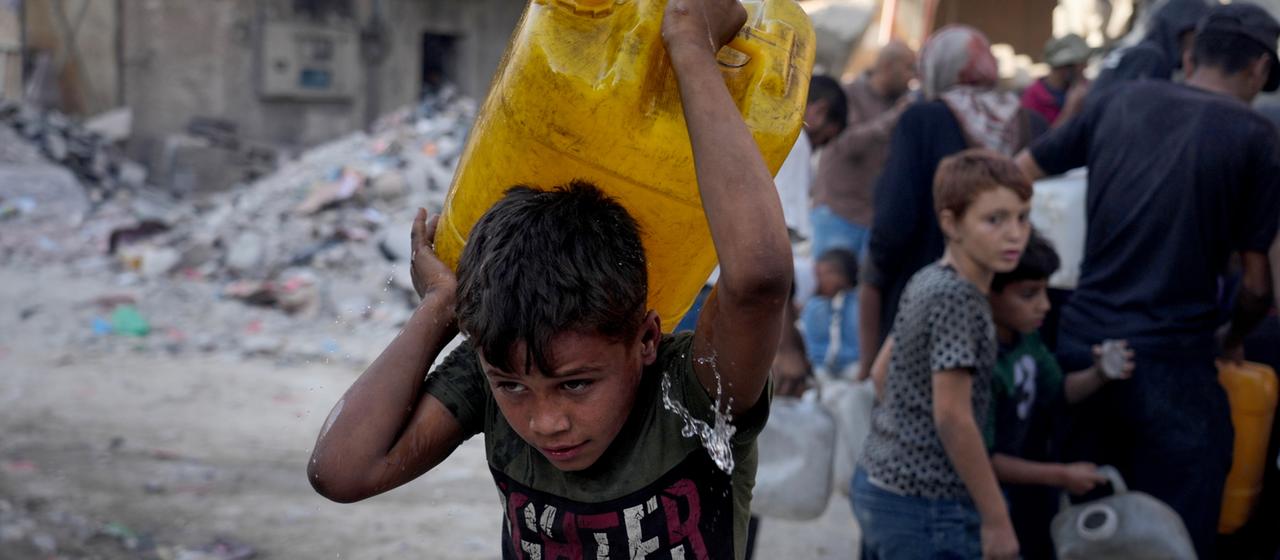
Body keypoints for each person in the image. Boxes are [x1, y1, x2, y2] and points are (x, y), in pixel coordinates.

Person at [306, 1, 793, 558]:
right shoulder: (497, 365)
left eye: (577, 384)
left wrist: (690, 46)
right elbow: (340, 472)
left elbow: (757, 277)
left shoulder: (691, 395)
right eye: (512, 388)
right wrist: (443, 306)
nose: (545, 422)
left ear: (647, 340)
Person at [1015, 5, 1280, 557]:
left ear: (1189, 56)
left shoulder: (1117, 100)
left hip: (1084, 345)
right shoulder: (1256, 134)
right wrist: (1233, 337)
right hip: (1173, 364)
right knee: (1177, 527)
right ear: (1258, 69)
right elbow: (1257, 285)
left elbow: (1018, 175)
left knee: (1079, 520)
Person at [855, 149, 1032, 560]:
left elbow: (883, 374)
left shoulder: (929, 278)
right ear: (951, 222)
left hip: (881, 486)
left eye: (1022, 217)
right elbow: (953, 417)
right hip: (925, 507)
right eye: (995, 219)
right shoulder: (959, 299)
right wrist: (997, 519)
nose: (1015, 234)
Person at [861, 25, 1047, 381]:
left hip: (925, 300)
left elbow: (894, 221)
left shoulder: (923, 120)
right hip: (1014, 310)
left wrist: (876, 280)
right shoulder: (1031, 123)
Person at [985, 232, 1136, 560]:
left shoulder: (1026, 339)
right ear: (987, 292)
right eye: (1028, 295)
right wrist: (1061, 476)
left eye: (1044, 291)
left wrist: (1099, 374)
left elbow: (1058, 391)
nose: (1045, 305)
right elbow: (984, 460)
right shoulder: (981, 360)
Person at [810, 40, 915, 259]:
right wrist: (893, 119)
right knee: (826, 288)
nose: (912, 76)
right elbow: (845, 144)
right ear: (887, 67)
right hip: (837, 212)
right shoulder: (849, 95)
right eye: (908, 68)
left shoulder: (900, 102)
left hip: (871, 218)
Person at [1090, 0, 1210, 94]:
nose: (1200, 40)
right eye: (1196, 32)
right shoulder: (1151, 58)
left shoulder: (1139, 52)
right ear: (1180, 29)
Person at [800, 248, 860, 377]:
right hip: (819, 368)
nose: (817, 280)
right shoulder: (812, 303)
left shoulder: (856, 304)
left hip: (849, 367)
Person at [1021, 34, 1091, 126]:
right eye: (1081, 65)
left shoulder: (1085, 87)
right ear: (1064, 67)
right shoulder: (1033, 97)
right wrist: (1070, 109)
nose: (1085, 68)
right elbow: (1043, 140)